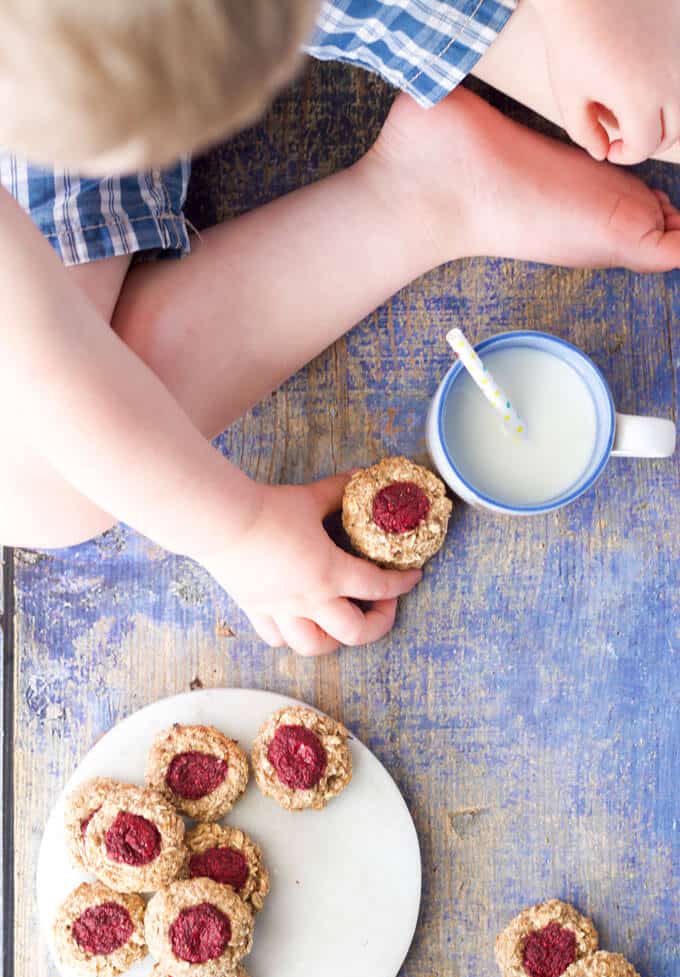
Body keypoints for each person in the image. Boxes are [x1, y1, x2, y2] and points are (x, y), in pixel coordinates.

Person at [1, 0, 680, 656]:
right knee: (36, 488)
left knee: (647, 96)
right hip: (61, 75)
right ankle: (422, 197)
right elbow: (41, 358)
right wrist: (235, 530)